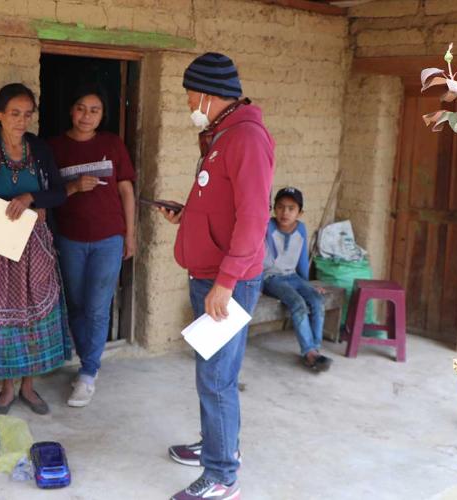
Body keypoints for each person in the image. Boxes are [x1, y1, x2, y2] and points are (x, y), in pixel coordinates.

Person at [157, 53, 275, 500]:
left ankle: (223, 476)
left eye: (190, 93)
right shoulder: (223, 134)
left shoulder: (245, 138)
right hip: (212, 273)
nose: (187, 100)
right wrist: (190, 218)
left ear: (207, 93)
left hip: (229, 280)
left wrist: (226, 283)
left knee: (217, 378)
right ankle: (220, 447)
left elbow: (253, 218)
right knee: (213, 371)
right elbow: (224, 205)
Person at [0, 83, 71, 416]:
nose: (21, 120)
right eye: (14, 113)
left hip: (35, 245)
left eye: (27, 114)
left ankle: (29, 386)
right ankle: (7, 389)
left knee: (33, 317)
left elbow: (58, 193)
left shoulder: (38, 149)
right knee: (2, 316)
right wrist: (4, 211)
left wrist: (31, 199)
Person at [47, 83, 136, 408]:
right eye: (81, 108)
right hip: (69, 239)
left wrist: (131, 234)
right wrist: (73, 186)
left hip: (109, 238)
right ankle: (88, 361)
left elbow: (126, 191)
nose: (87, 116)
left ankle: (88, 372)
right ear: (71, 111)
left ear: (102, 115)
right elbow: (49, 195)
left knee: (98, 307)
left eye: (94, 110)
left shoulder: (112, 144)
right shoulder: (54, 147)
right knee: (76, 304)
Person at [263, 187, 332, 372]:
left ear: (300, 212)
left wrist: (308, 286)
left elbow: (302, 262)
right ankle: (309, 353)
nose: (285, 212)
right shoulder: (268, 226)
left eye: (291, 208)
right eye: (280, 207)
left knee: (317, 301)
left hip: (293, 277)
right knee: (298, 303)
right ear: (274, 209)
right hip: (271, 278)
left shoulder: (301, 229)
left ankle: (314, 349)